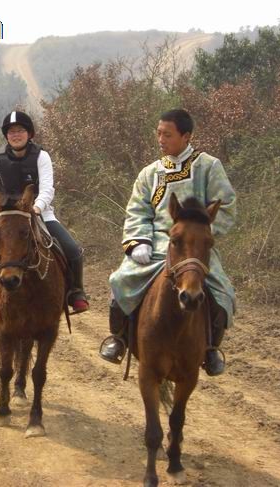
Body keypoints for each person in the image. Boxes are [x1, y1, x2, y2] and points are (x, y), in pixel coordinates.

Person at [99, 108, 237, 376]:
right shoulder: (149, 173)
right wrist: (139, 242)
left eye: (168, 134)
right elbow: (137, 210)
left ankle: (210, 350)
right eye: (158, 133)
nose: (161, 139)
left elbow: (226, 206)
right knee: (120, 282)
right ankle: (119, 339)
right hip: (155, 246)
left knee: (223, 293)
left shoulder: (209, 166)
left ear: (186, 136)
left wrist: (201, 238)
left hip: (195, 248)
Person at [0, 110, 89, 316]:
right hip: (7, 217)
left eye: (20, 130)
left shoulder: (41, 156)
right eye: (11, 131)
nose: (15, 135)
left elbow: (47, 189)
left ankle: (76, 293)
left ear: (29, 134)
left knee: (73, 250)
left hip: (39, 212)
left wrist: (34, 209)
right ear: (6, 135)